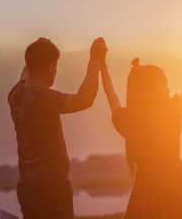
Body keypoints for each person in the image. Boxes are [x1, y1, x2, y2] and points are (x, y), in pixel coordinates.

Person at [100, 35, 182, 219]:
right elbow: (111, 95)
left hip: (149, 190)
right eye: (164, 84)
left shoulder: (133, 120)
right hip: (174, 189)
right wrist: (102, 66)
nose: (169, 89)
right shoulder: (168, 111)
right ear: (148, 91)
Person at [7, 37, 107, 219]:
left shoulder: (15, 94)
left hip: (26, 189)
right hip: (51, 190)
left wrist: (39, 48)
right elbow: (85, 99)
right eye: (55, 66)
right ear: (49, 66)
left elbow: (26, 71)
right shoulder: (42, 99)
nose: (55, 72)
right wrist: (95, 59)